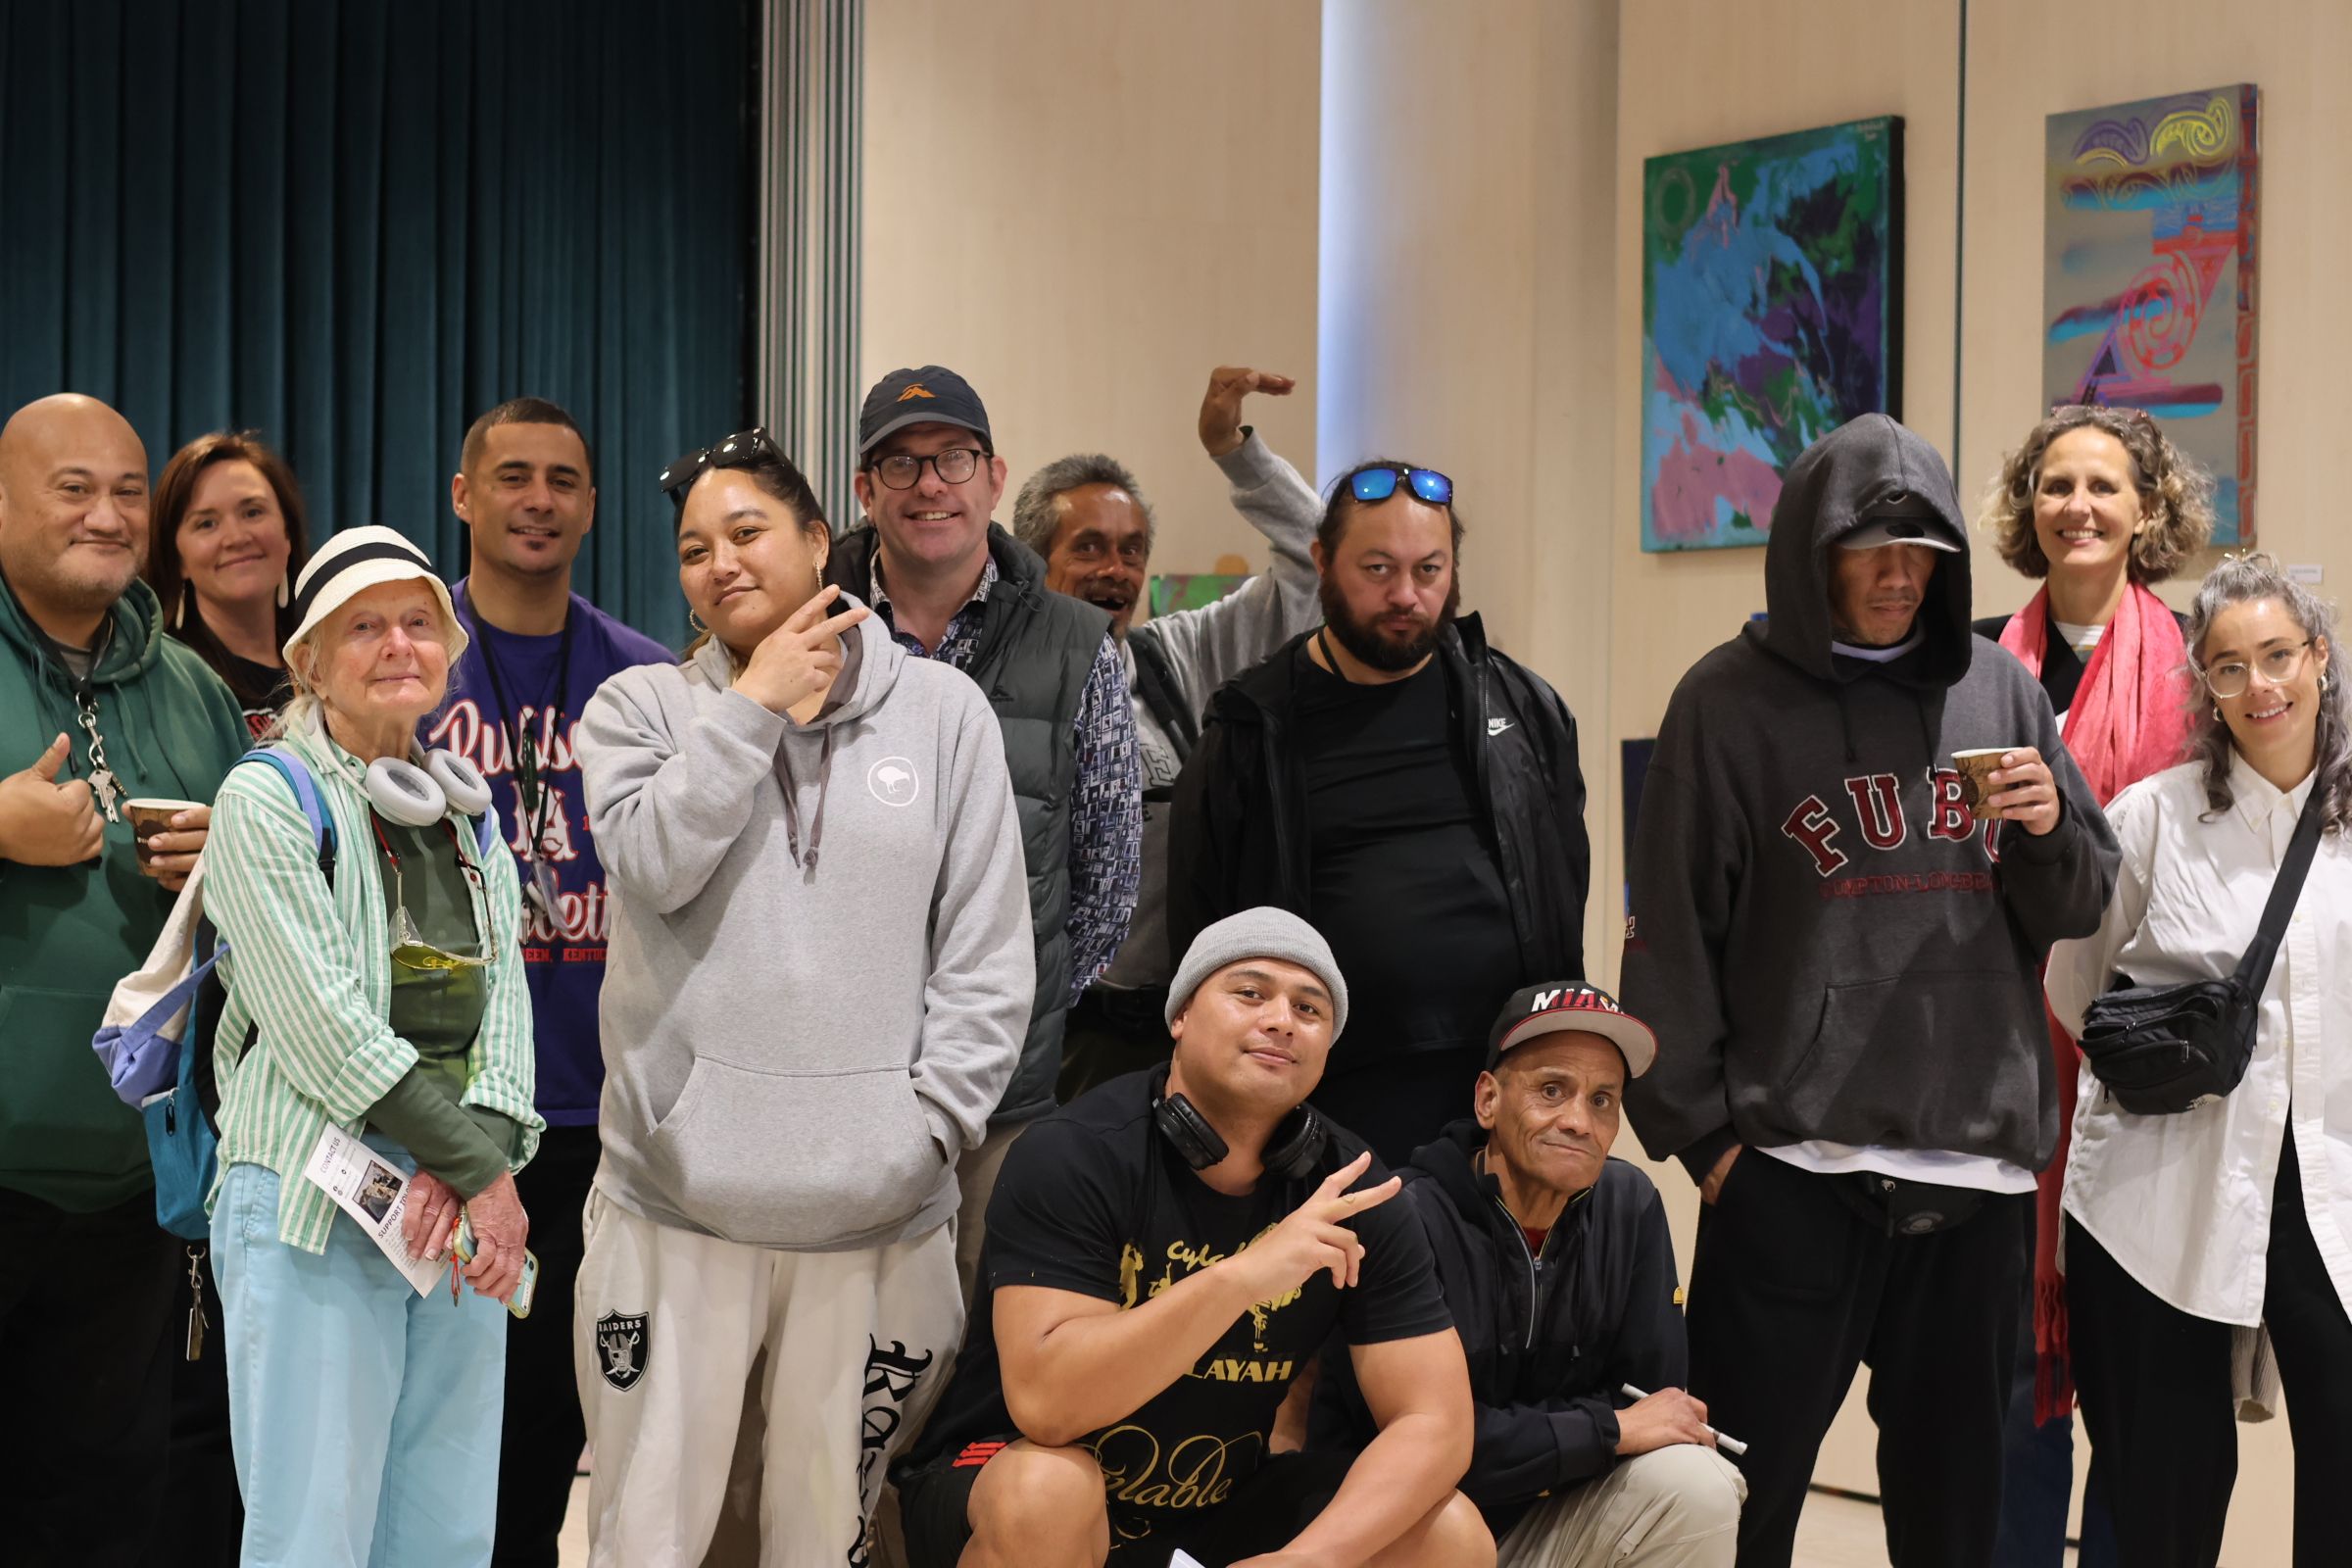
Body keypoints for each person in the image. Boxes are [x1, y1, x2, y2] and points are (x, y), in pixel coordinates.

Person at [1620, 413, 2119, 1568]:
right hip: (1793, 1172)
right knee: (1741, 1510)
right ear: (1810, 551)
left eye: (1921, 551)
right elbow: (1670, 936)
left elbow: (2081, 902)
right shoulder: (1728, 703)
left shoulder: (2002, 690)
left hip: (1976, 1173)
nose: (1898, 575)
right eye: (1868, 548)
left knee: (1955, 1524)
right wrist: (1706, 1142)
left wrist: (2047, 830)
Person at [574, 430, 1033, 1565]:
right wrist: (753, 707)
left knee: (825, 1534)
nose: (719, 564)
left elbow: (986, 951)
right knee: (650, 1531)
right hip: (678, 1199)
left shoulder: (944, 715)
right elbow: (652, 863)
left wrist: (930, 1128)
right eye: (693, 549)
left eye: (746, 533)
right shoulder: (641, 709)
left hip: (874, 1207)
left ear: (821, 540)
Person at [895, 908, 1493, 1568]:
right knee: (1052, 1491)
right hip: (1010, 1473)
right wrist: (1245, 1277)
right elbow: (1049, 1407)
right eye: (1250, 992)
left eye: (1309, 1008)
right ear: (1180, 1015)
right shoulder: (1078, 1153)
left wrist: (1310, 1558)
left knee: (1451, 1537)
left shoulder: (1350, 1187)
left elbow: (1434, 1422)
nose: (1281, 1019)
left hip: (1211, 1504)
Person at [204, 524, 542, 1564]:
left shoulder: (470, 816)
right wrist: (480, 1172)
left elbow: (508, 1023)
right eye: (364, 626)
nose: (398, 644)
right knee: (313, 1534)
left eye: (417, 622)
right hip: (313, 1205)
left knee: (444, 1531)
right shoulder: (266, 799)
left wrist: (469, 1159)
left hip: (447, 1218)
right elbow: (326, 1032)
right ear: (307, 657)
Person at [2047, 553, 2352, 1568]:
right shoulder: (2151, 819)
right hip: (2158, 1198)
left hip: (2332, 1193)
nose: (2260, 686)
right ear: (2204, 685)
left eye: (2278, 656)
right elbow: (2075, 985)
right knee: (2164, 1499)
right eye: (2229, 667)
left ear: (2320, 658)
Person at [1169, 458, 1590, 1163]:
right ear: (1323, 563)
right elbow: (1203, 935)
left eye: (1429, 570)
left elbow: (1563, 890)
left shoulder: (1524, 710)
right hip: (1328, 1104)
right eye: (1377, 569)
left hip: (1501, 1091)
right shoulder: (1251, 729)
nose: (1406, 595)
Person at [826, 365, 1141, 1298]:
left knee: (979, 1372)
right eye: (901, 464)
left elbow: (1107, 881)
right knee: (828, 1371)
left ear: (994, 478)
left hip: (1003, 1107)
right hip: (832, 1083)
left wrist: (1015, 1006)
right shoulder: (802, 630)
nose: (931, 485)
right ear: (864, 489)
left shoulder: (1082, 646)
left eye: (953, 459)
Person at [0, 392, 249, 1565]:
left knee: (100, 1516)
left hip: (129, 1193)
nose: (107, 515)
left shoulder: (193, 690)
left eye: (127, 491)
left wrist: (232, 856)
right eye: (72, 489)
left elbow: (287, 899)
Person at [426, 395, 673, 1566]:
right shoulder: (409, 663)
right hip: (440, 1119)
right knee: (429, 1434)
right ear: (465, 496)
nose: (538, 500)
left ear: (589, 502)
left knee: (545, 1439)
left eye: (563, 480)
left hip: (596, 1117)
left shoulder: (649, 681)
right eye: (512, 476)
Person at [1973, 405, 2213, 1568]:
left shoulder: (2198, 669)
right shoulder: (1969, 667)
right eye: (2055, 485)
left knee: (2138, 1378)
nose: (2077, 505)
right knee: (2010, 1383)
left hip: (2141, 1067)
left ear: (2147, 510)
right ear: (2029, 507)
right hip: (1994, 1064)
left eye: (2104, 486)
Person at [1315, 982, 1742, 1567]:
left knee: (1696, 1480)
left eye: (1602, 1100)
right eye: (1551, 1090)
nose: (1578, 1121)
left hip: (1550, 1513)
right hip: (1413, 1529)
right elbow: (1416, 1447)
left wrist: (1606, 1431)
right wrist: (1606, 1430)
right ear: (1488, 1100)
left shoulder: (1631, 1205)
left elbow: (1654, 1411)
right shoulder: (1403, 1216)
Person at [1015, 366, 1324, 1098]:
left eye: (1131, 550)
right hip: (1040, 1034)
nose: (1114, 569)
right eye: (1088, 548)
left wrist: (1235, 452)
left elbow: (1316, 562)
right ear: (1033, 564)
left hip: (1173, 1030)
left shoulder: (1180, 659)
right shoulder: (986, 692)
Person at [147, 428, 314, 740]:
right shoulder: (162, 680)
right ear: (177, 558)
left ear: (287, 532)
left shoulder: (333, 657)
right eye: (206, 523)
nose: (236, 538)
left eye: (252, 512)